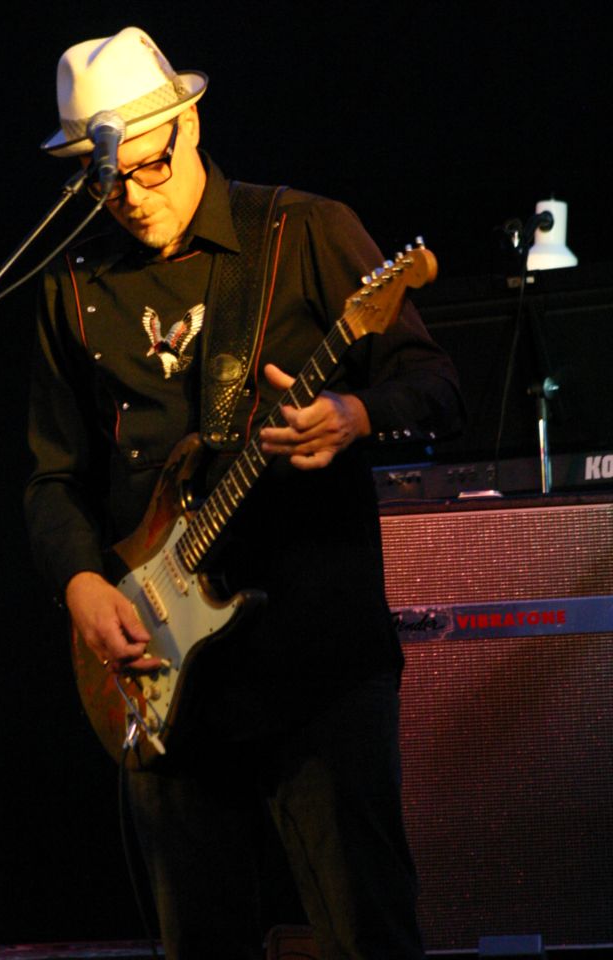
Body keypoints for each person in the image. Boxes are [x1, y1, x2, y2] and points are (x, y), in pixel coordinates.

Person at [24, 25, 464, 960]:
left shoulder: (303, 230)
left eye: (149, 166)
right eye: (108, 182)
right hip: (161, 673)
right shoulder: (73, 288)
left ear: (189, 124)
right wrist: (82, 585)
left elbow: (436, 384)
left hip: (316, 665)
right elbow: (52, 476)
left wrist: (353, 412)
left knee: (368, 935)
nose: (132, 197)